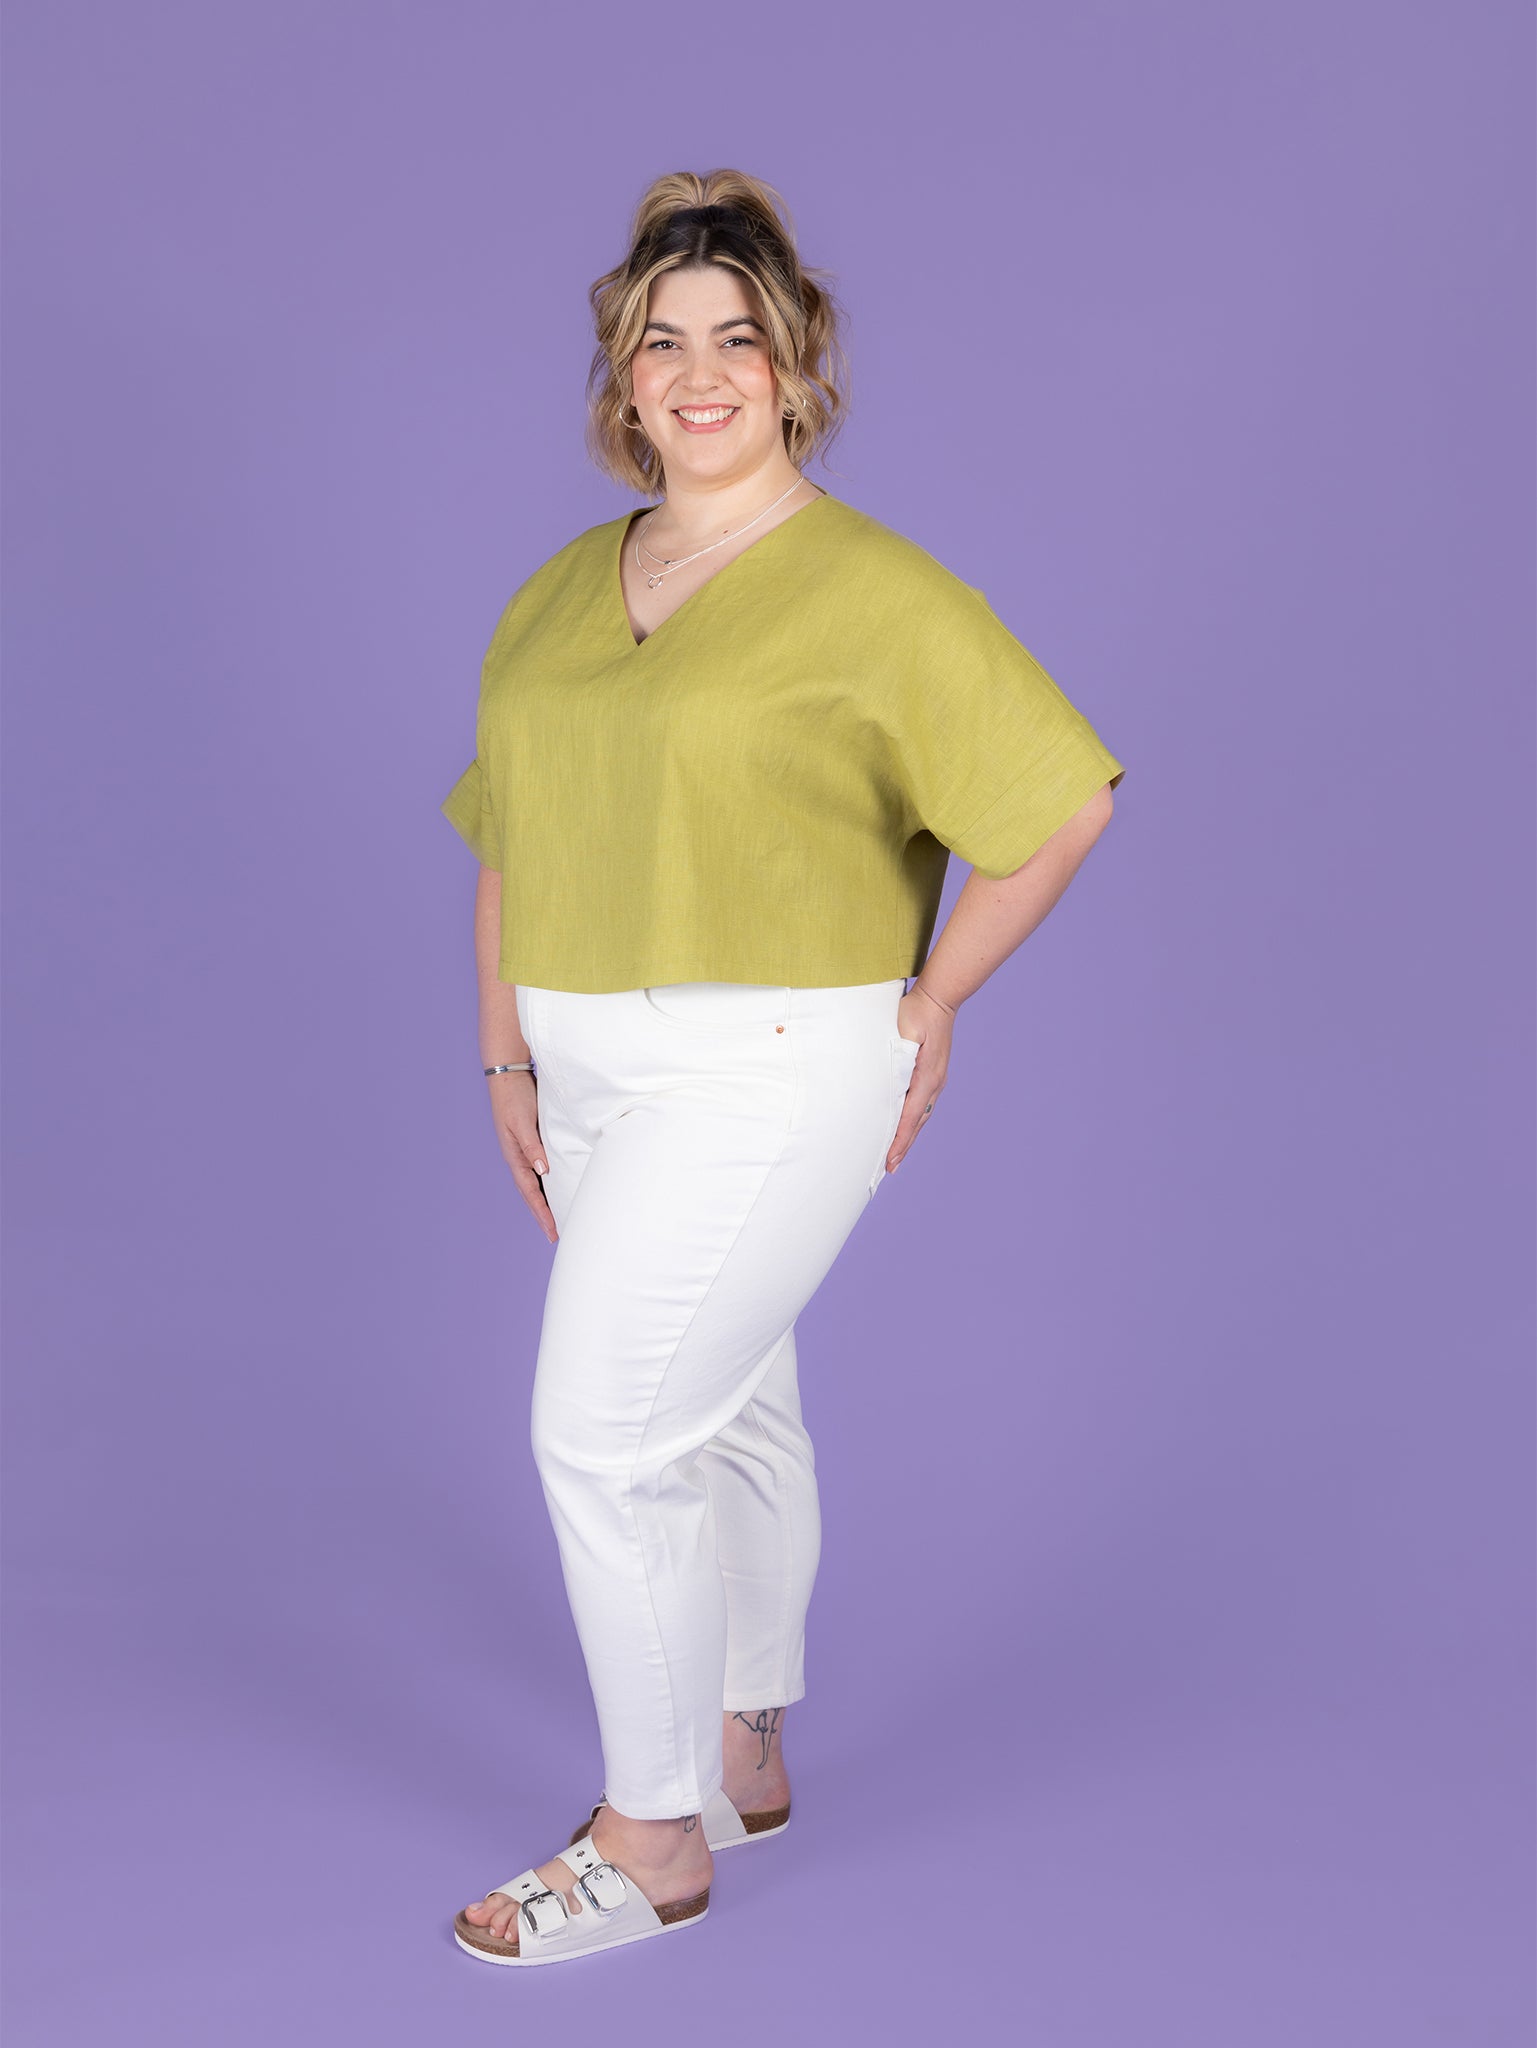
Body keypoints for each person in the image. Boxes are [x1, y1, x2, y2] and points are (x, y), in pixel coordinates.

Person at [440, 167, 1126, 1969]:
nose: (697, 373)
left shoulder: (873, 591)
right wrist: (502, 1053)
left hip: (765, 1062)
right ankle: (741, 1746)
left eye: (735, 338)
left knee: (605, 1437)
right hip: (582, 1061)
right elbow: (508, 828)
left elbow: (1056, 805)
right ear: (621, 376)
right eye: (660, 341)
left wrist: (935, 998)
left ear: (794, 366)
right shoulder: (560, 589)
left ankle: (651, 1839)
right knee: (728, 1397)